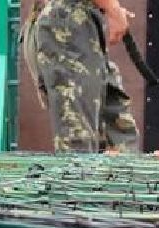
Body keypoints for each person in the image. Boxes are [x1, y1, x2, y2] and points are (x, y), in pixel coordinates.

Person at [25, 0, 141, 153]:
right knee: (79, 142)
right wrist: (112, 8)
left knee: (119, 135)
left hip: (78, 20)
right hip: (67, 22)